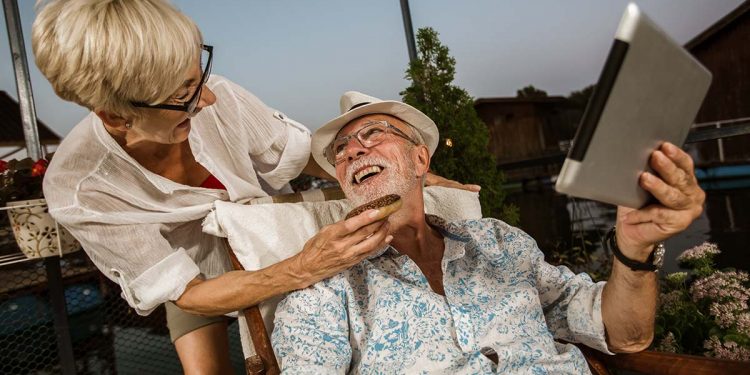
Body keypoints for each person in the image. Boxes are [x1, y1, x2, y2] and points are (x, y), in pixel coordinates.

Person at [31, 1, 476, 373]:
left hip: (267, 237)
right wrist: (303, 267)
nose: (207, 98)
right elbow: (188, 294)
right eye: (186, 91)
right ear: (117, 117)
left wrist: (407, 175)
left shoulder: (219, 96)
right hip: (197, 279)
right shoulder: (80, 189)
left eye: (198, 74)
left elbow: (302, 156)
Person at [271, 91, 706, 373]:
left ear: (421, 161)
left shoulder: (502, 242)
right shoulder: (324, 287)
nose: (353, 151)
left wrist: (634, 250)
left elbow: (625, 335)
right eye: (340, 153)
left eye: (372, 133)